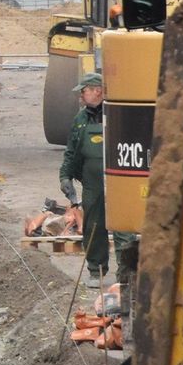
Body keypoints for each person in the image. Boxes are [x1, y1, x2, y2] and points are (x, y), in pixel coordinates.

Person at [59, 72, 138, 290]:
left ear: (97, 91)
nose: (80, 97)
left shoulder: (118, 114)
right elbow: (71, 152)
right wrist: (65, 176)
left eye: (83, 92)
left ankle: (126, 272)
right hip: (92, 183)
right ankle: (97, 271)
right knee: (94, 226)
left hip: (119, 181)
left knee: (124, 227)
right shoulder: (81, 120)